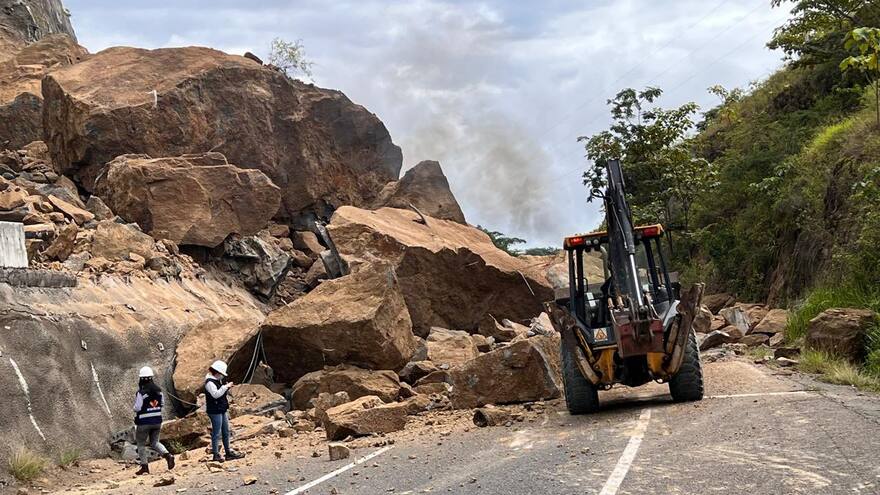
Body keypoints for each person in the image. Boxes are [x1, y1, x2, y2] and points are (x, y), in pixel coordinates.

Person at [133, 366, 175, 475]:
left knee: (141, 444)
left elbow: (137, 407)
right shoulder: (158, 390)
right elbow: (162, 404)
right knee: (155, 442)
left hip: (143, 422)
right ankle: (168, 456)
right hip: (157, 421)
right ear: (151, 377)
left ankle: (145, 467)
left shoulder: (141, 392)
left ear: (141, 378)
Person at [205, 360, 245, 462]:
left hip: (221, 408)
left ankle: (228, 452)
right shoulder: (209, 382)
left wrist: (225, 387)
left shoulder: (216, 381)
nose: (222, 376)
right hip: (214, 410)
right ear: (217, 372)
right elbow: (215, 394)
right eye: (221, 374)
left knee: (226, 431)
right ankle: (215, 454)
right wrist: (225, 387)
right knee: (216, 432)